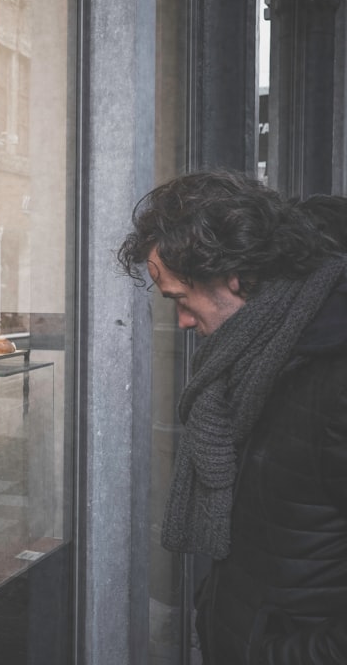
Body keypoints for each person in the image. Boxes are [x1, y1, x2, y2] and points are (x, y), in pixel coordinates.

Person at [117, 169, 347, 664]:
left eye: (181, 298)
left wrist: (285, 655)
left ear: (235, 276)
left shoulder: (332, 380)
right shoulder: (259, 358)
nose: (179, 321)